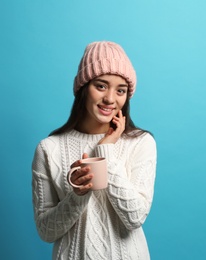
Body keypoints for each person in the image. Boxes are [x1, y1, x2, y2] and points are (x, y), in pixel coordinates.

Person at [32, 41, 157, 260]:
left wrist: (106, 149)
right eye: (101, 86)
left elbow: (135, 217)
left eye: (121, 90)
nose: (110, 98)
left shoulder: (141, 142)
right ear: (82, 88)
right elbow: (45, 231)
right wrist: (78, 196)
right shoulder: (49, 148)